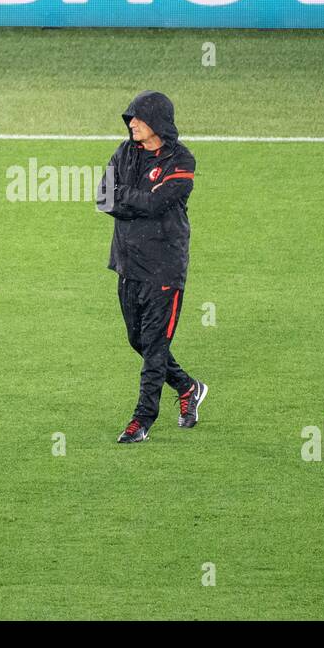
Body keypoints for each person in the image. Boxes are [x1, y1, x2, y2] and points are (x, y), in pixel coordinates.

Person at [97, 90, 208, 444]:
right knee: (139, 340)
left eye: (138, 118)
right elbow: (103, 197)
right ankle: (188, 387)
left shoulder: (181, 160)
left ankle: (142, 420)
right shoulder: (125, 151)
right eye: (130, 118)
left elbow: (159, 202)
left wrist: (126, 197)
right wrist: (138, 201)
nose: (132, 123)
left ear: (157, 122)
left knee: (155, 348)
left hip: (164, 269)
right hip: (128, 263)